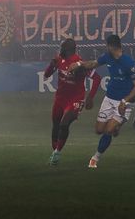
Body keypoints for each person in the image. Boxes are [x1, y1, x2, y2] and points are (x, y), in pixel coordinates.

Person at [77, 34, 135, 169]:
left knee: (108, 130)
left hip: (125, 102)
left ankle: (95, 158)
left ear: (111, 46)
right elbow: (93, 64)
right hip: (109, 98)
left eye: (107, 45)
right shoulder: (107, 56)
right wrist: (79, 64)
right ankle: (116, 127)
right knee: (98, 130)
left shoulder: (128, 63)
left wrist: (124, 101)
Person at [42, 37, 99, 165]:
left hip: (75, 98)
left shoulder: (79, 63)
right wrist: (51, 66)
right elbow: (46, 75)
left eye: (62, 47)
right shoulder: (58, 59)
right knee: (56, 125)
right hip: (60, 98)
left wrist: (90, 97)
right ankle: (55, 151)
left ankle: (57, 152)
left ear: (69, 50)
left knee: (64, 123)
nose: (60, 49)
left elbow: (97, 78)